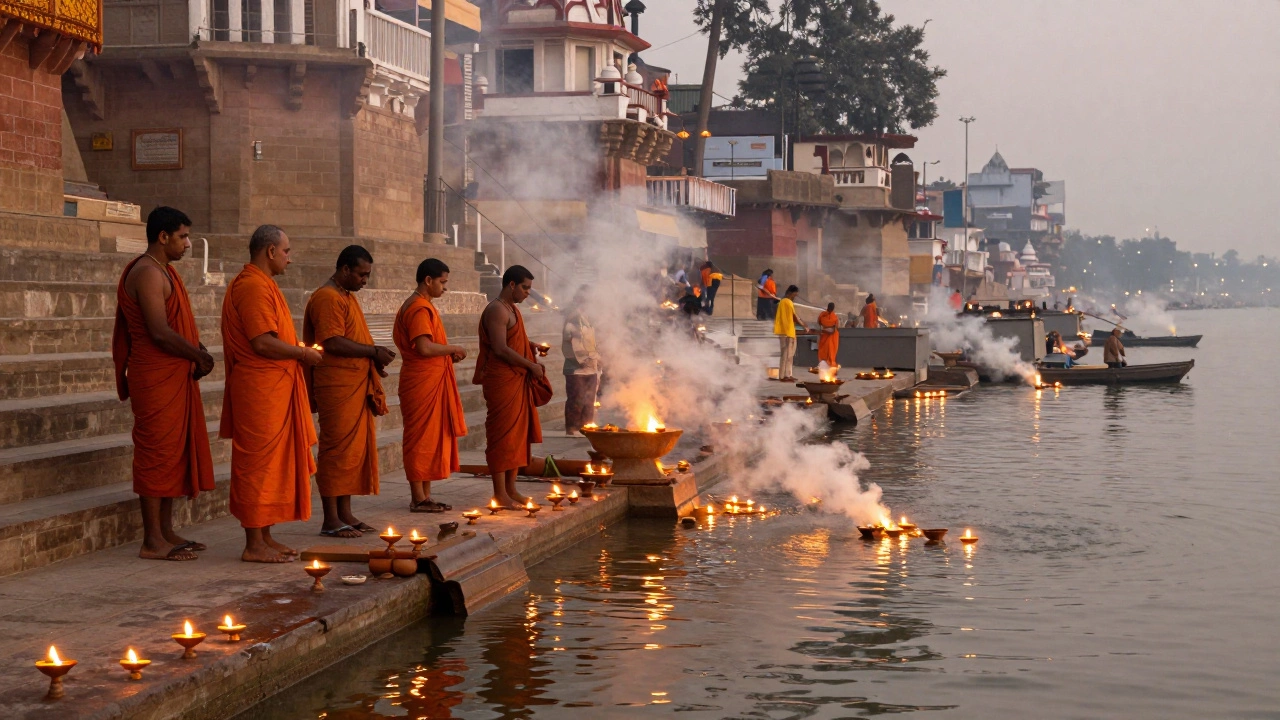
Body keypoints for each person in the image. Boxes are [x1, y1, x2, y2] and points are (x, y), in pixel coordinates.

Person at [112, 206, 216, 561]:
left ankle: (166, 531)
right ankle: (152, 540)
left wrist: (194, 349)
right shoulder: (146, 273)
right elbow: (158, 332)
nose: (188, 244)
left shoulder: (164, 271)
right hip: (154, 373)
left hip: (174, 373)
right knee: (156, 453)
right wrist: (198, 356)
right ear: (163, 237)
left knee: (173, 453)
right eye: (183, 236)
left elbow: (177, 326)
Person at [220, 225, 321, 563]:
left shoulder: (264, 285)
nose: (290, 259)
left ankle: (264, 535)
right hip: (259, 389)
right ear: (270, 252)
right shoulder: (252, 287)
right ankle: (253, 544)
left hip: (272, 386)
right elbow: (261, 342)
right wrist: (303, 354)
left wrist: (298, 351)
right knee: (258, 464)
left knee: (273, 464)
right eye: (287, 251)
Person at [302, 245, 394, 537]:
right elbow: (331, 341)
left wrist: (373, 359)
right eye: (361, 274)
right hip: (336, 384)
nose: (365, 281)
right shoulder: (327, 297)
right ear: (345, 270)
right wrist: (373, 350)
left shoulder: (346, 297)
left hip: (354, 382)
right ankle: (330, 519)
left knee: (351, 452)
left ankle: (345, 512)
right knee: (336, 450)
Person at [395, 258, 469, 513]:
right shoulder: (418, 308)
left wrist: (447, 354)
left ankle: (425, 495)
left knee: (428, 438)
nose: (445, 288)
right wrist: (453, 349)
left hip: (428, 378)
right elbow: (424, 347)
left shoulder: (423, 306)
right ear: (429, 280)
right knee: (419, 439)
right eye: (443, 282)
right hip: (421, 381)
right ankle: (418, 497)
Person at [475, 266, 546, 509]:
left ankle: (511, 489)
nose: (528, 293)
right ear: (511, 285)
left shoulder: (511, 309)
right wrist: (531, 365)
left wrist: (531, 345)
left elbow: (512, 338)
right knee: (502, 436)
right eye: (525, 287)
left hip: (515, 380)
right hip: (502, 380)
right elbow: (500, 348)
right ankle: (499, 493)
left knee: (517, 436)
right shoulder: (496, 309)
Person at [562, 291, 602, 435]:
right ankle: (572, 428)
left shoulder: (588, 318)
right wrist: (583, 359)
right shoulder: (573, 319)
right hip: (576, 368)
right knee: (576, 398)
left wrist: (597, 358)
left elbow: (593, 341)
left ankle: (586, 427)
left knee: (589, 399)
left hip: (591, 365)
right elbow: (572, 343)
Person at [773, 285, 810, 382]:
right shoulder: (788, 302)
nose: (795, 296)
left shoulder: (781, 302)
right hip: (787, 332)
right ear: (791, 293)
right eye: (795, 294)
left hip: (783, 331)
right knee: (787, 355)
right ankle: (784, 376)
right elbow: (794, 317)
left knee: (787, 355)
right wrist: (804, 325)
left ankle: (787, 375)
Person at [817, 302, 840, 367]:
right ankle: (823, 363)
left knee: (831, 350)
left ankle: (830, 363)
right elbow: (819, 323)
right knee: (823, 350)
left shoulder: (834, 316)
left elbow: (836, 327)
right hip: (824, 335)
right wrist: (825, 329)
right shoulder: (822, 314)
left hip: (832, 336)